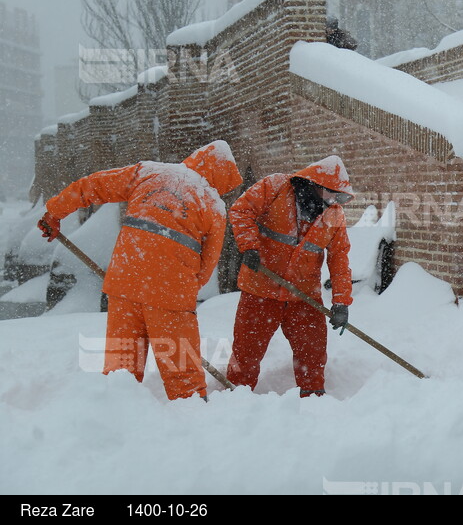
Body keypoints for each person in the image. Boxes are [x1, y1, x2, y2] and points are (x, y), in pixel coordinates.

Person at [38, 141, 243, 401]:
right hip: (172, 295)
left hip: (124, 285)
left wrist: (54, 211)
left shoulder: (148, 172)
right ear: (221, 177)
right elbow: (206, 266)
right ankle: (193, 422)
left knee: (120, 368)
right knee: (183, 375)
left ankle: (116, 417)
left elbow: (92, 186)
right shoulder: (213, 204)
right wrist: (178, 292)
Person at [227, 156, 355, 398]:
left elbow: (340, 260)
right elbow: (241, 210)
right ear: (315, 185)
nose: (333, 202)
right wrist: (249, 247)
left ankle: (314, 399)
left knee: (313, 352)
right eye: (331, 195)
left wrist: (341, 302)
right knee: (246, 352)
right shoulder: (275, 187)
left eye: (338, 197)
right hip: (260, 290)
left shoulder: (334, 215)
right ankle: (235, 398)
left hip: (304, 297)